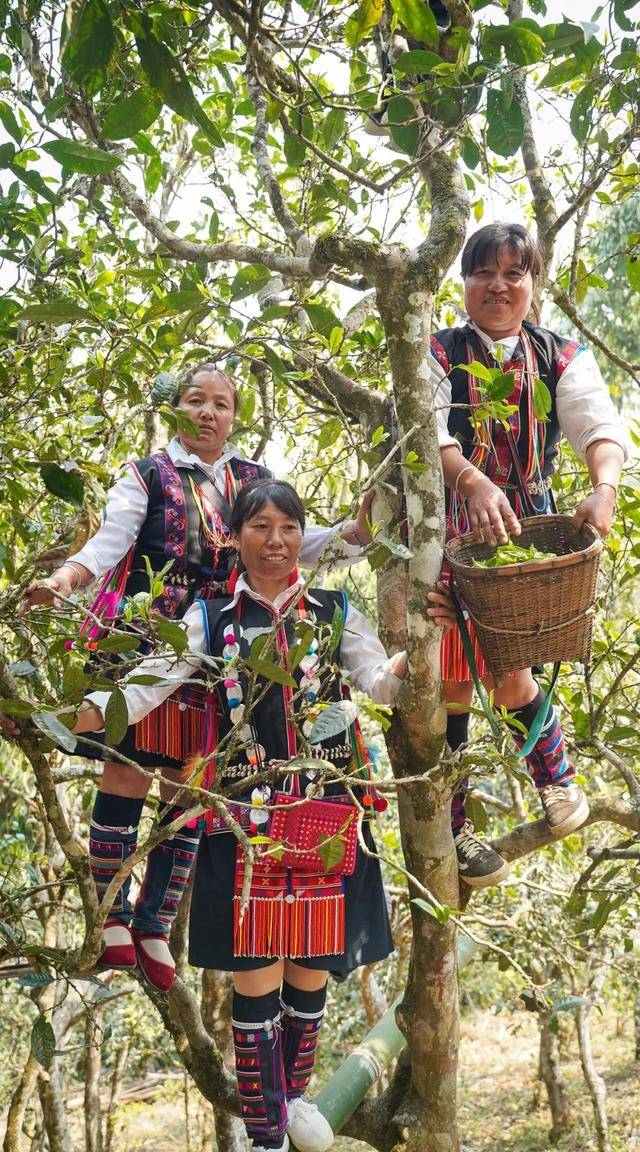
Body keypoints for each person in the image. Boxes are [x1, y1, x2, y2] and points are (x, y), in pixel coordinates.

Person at [72, 479, 455, 1152]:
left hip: (329, 811)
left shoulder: (336, 611)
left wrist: (431, 649)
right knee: (255, 979)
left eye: (287, 527)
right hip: (241, 818)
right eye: (260, 527)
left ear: (300, 536)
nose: (275, 540)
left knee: (309, 972)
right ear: (238, 538)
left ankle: (295, 1096)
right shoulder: (209, 617)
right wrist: (84, 711)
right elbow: (152, 682)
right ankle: (266, 1129)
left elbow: (382, 683)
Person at [19, 365, 377, 991]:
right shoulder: (147, 474)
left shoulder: (254, 480)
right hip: (152, 638)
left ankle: (155, 921)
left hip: (224, 643)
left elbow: (292, 543)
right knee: (127, 770)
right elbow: (111, 541)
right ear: (173, 409)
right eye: (195, 401)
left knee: (190, 787)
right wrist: (67, 579)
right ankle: (112, 912)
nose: (209, 413)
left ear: (236, 416)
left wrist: (358, 535)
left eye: (222, 403)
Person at [430, 222, 628, 888]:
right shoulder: (437, 350)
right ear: (464, 283)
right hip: (449, 535)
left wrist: (604, 489)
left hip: (524, 539)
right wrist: (471, 478)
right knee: (452, 684)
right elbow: (428, 434)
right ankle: (454, 834)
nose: (499, 286)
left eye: (515, 273)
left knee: (510, 671)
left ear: (532, 284)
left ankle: (558, 784)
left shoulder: (557, 355)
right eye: (484, 272)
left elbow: (599, 429)